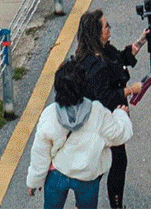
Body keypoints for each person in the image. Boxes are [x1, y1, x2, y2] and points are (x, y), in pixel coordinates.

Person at [26, 60, 133, 209]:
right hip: (87, 177)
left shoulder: (50, 114)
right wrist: (121, 115)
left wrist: (34, 181)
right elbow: (120, 135)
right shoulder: (97, 112)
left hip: (58, 173)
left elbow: (40, 152)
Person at [74, 11, 149, 209]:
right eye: (106, 26)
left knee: (115, 163)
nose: (110, 29)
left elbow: (120, 59)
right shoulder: (93, 65)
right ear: (96, 32)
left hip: (110, 118)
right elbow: (104, 98)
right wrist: (131, 90)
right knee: (104, 167)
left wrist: (140, 42)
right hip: (101, 122)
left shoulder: (104, 51)